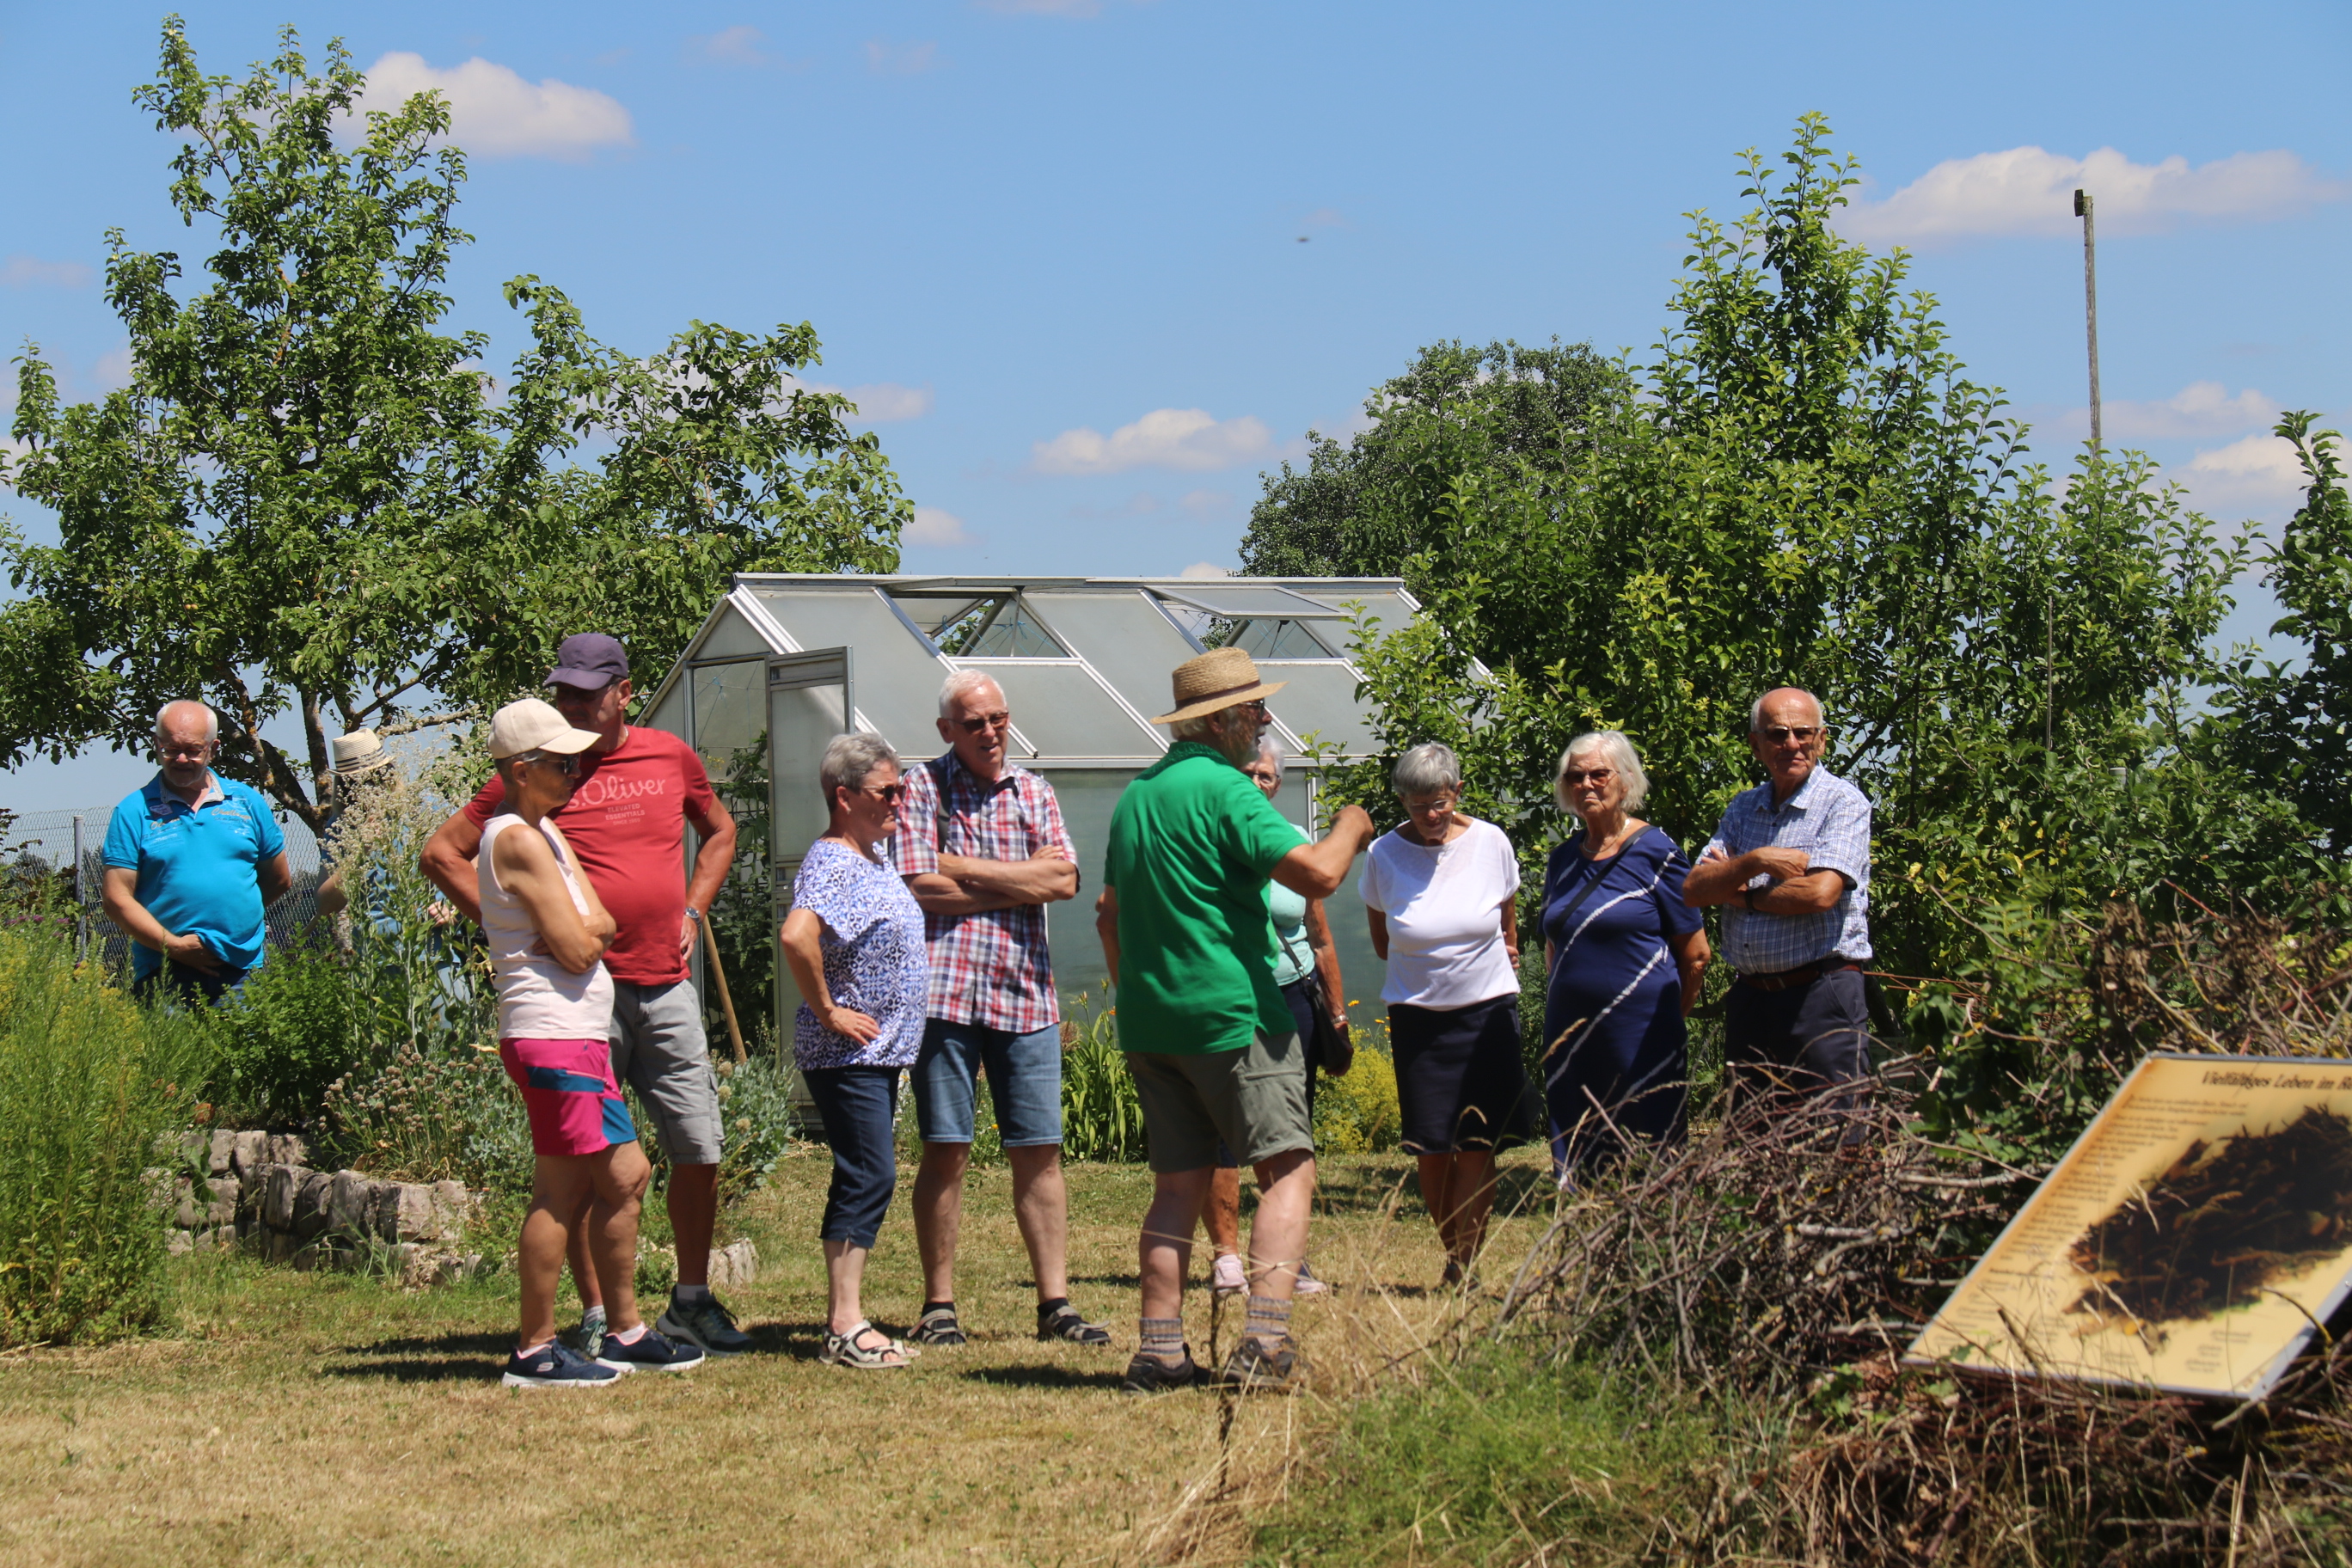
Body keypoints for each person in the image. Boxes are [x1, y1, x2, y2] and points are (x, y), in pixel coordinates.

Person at [423, 634, 749, 1359]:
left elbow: (721, 830)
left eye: (585, 692)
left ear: (624, 691)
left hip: (661, 984)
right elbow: (441, 852)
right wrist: (514, 925)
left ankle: (689, 1301)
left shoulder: (666, 756)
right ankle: (597, 1315)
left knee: (693, 1147)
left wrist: (695, 908)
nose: (571, 704)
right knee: (584, 1169)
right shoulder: (536, 775)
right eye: (563, 692)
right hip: (574, 1004)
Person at [1095, 646, 1376, 1394]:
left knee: (1175, 1187)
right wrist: (1352, 823)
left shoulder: (1136, 798)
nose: (1265, 719)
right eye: (1255, 709)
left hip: (1154, 1021)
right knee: (1288, 1167)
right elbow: (1316, 873)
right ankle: (1265, 1345)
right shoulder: (1227, 791)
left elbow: (1108, 912)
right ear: (1220, 722)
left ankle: (1158, 1353)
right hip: (1235, 1014)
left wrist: (1139, 991)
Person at [480, 697, 703, 1387]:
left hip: (577, 1040)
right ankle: (535, 1349)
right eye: (559, 761)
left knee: (628, 1175)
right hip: (552, 1037)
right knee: (562, 1190)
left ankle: (625, 1331)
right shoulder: (515, 837)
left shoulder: (546, 832)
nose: (576, 769)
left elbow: (598, 921)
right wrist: (587, 932)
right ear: (521, 769)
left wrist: (589, 930)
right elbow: (582, 946)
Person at [891, 671, 1108, 1349]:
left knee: (1039, 1152)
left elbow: (1065, 879)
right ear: (947, 730)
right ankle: (939, 1306)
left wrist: (963, 866)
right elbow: (917, 885)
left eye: (997, 719)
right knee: (946, 1148)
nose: (990, 732)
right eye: (974, 722)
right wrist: (1018, 884)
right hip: (944, 998)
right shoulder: (921, 786)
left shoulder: (1035, 791)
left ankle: (1056, 1305)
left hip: (1025, 997)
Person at [780, 733, 931, 1370]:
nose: (900, 801)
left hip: (875, 1055)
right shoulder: (835, 863)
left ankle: (844, 1319)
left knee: (865, 1172)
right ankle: (845, 1325)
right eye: (886, 792)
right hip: (847, 1055)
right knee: (869, 1173)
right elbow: (796, 936)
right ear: (844, 798)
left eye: (901, 789)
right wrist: (830, 1010)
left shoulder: (872, 855)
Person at [1359, 742, 1534, 1285]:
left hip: (1487, 1014)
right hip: (1420, 1017)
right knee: (1432, 1148)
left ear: (1456, 791)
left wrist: (1507, 955)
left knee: (1478, 1144)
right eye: (1416, 806)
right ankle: (1454, 1249)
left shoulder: (1491, 842)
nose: (1430, 815)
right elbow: (1383, 942)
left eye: (1438, 802)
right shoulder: (1384, 855)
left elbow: (1508, 927)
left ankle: (1465, 1264)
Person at [1201, 735, 1345, 1299]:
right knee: (1225, 1130)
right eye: (1246, 773)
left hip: (1293, 996)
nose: (1256, 783)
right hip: (1232, 997)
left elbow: (1319, 933)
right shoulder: (1212, 841)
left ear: (1277, 783)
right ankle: (1227, 1258)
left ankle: (1287, 1257)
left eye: (1265, 776)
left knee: (1289, 1129)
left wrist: (1336, 1012)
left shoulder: (1297, 843)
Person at [1682, 688, 1874, 1106]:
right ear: (1756, 744)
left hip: (1821, 994)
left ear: (1822, 739)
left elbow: (1821, 893)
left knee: (1834, 1135)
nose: (1791, 744)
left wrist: (1740, 892)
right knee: (1752, 1141)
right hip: (1750, 999)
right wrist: (1758, 861)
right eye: (1777, 734)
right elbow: (1695, 889)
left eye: (1803, 732)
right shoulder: (1742, 808)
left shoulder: (1843, 803)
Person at [1539, 732, 1710, 1179]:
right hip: (1571, 1037)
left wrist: (1669, 1019)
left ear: (1626, 779)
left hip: (1642, 1034)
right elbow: (1553, 945)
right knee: (1582, 1156)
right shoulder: (1561, 861)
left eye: (1599, 773)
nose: (1587, 784)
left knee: (1651, 1157)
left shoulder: (1658, 852)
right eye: (1575, 776)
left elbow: (1695, 955)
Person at [101, 700, 292, 1004]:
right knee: (172, 1053)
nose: (180, 759)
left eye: (192, 750)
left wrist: (234, 925)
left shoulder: (246, 802)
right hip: (163, 970)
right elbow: (116, 897)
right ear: (156, 744)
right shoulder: (133, 811)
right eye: (170, 749)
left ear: (213, 748)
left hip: (243, 970)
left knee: (246, 1052)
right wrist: (173, 945)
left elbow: (279, 879)